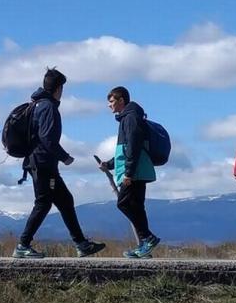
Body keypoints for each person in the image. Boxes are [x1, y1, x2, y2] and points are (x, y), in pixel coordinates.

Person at [13, 68, 106, 259]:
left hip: (39, 162)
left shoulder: (37, 104)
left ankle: (81, 244)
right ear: (58, 88)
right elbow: (47, 138)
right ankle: (23, 245)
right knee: (43, 203)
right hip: (42, 163)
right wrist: (65, 157)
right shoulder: (47, 107)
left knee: (65, 200)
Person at [97, 86, 161, 258]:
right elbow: (123, 151)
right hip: (137, 170)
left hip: (134, 172)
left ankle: (148, 238)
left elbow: (133, 147)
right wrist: (109, 164)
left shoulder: (131, 118)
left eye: (111, 101)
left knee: (123, 203)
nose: (109, 105)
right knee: (137, 206)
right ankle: (145, 247)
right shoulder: (129, 117)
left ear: (121, 100)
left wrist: (128, 173)